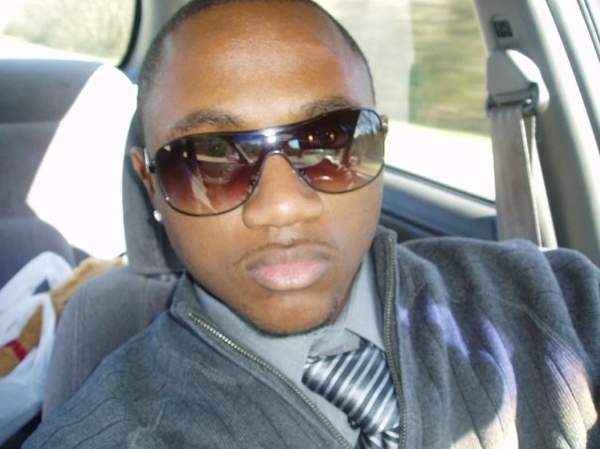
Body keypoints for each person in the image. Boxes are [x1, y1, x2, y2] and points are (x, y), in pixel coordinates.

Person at [25, 0, 600, 448]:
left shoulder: (552, 299)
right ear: (149, 181)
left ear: (379, 142)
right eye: (209, 159)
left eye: (331, 140)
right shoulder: (109, 433)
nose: (282, 207)